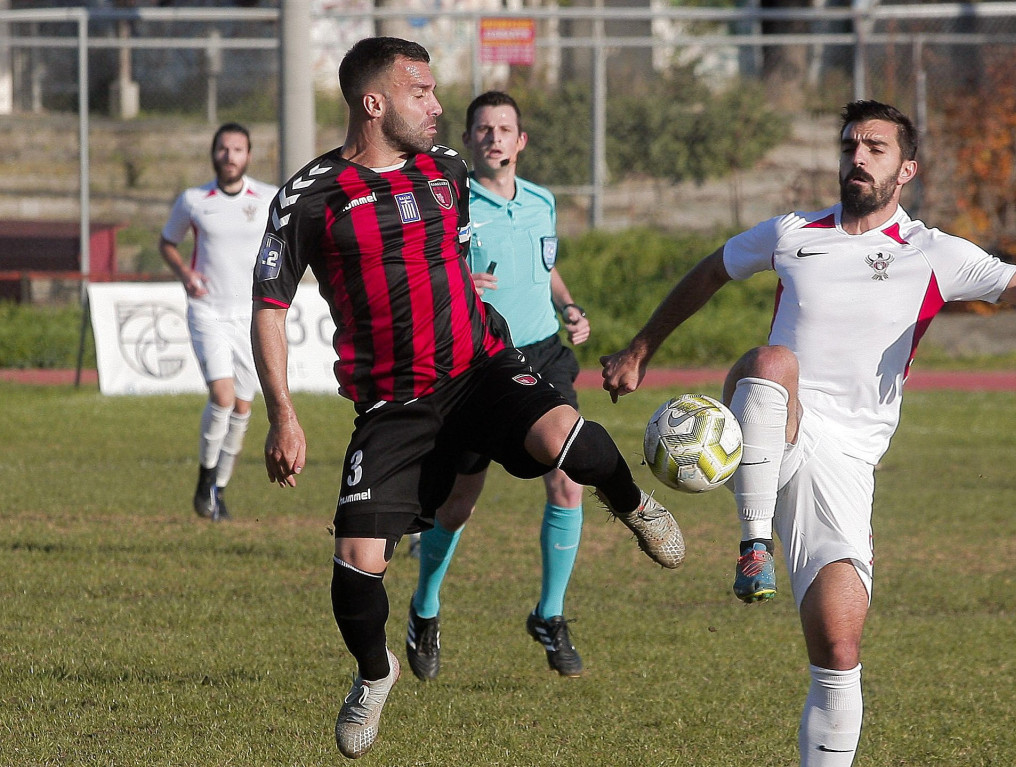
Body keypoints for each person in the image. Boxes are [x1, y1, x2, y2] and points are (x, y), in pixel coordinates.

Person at [601, 100, 1016, 766]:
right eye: (850, 145)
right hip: (772, 416)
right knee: (775, 360)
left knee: (838, 646)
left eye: (875, 148)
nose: (858, 157)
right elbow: (712, 270)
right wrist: (641, 347)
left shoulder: (931, 253)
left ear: (907, 169)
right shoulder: (794, 232)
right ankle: (753, 547)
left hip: (848, 458)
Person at [250, 37, 683, 760]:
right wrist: (282, 413)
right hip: (392, 405)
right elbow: (269, 304)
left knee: (571, 441)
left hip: (480, 366)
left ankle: (635, 504)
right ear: (374, 102)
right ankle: (374, 671)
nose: (438, 105)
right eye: (421, 91)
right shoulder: (309, 196)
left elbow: (447, 258)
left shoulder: (445, 168)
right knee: (356, 566)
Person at [404, 91, 593, 682]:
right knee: (458, 504)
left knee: (569, 478)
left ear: (520, 140)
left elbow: (545, 263)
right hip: (478, 360)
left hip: (542, 354)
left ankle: (551, 615)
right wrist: (456, 279)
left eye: (504, 128)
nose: (494, 137)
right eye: (483, 129)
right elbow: (417, 265)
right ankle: (425, 607)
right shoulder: (452, 203)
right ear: (469, 138)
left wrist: (568, 305)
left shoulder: (542, 201)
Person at [160, 122, 277, 522]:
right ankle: (204, 478)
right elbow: (167, 243)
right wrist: (185, 274)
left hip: (249, 313)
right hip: (207, 309)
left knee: (243, 407)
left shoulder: (267, 198)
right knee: (223, 397)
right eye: (224, 149)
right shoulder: (194, 200)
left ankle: (218, 491)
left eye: (238, 149)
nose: (230, 156)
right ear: (214, 153)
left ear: (248, 155)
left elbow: (285, 244)